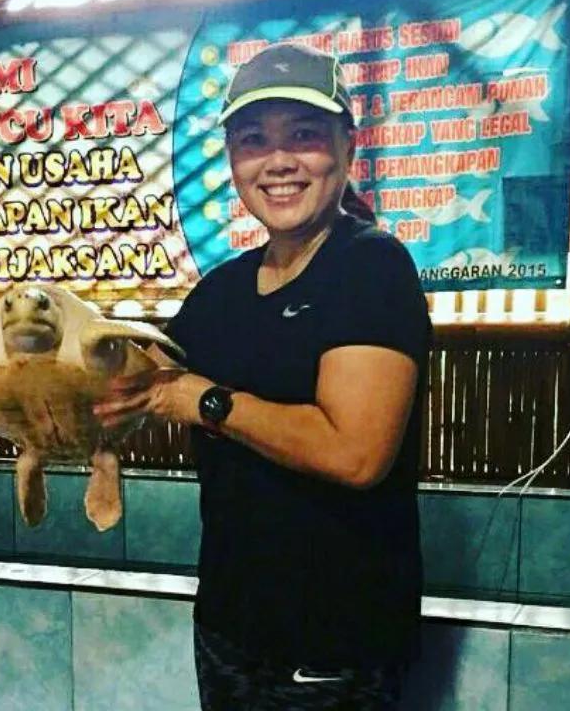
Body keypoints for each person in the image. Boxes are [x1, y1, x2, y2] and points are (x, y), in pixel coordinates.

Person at [93, 42, 432, 711]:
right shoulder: (220, 292)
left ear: (347, 147)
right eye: (254, 140)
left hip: (333, 646)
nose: (278, 161)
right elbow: (129, 385)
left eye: (303, 135)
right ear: (232, 160)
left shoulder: (371, 268)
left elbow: (356, 454)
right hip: (228, 629)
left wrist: (210, 403)